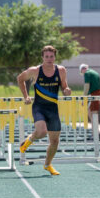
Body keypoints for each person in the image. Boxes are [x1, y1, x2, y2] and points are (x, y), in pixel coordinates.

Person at [18, 46, 72, 175]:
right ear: (42, 57)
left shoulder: (61, 70)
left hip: (53, 109)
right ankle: (28, 141)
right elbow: (20, 79)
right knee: (42, 131)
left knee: (54, 141)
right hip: (39, 107)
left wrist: (67, 91)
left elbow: (64, 87)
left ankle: (47, 165)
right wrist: (26, 96)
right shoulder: (35, 71)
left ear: (55, 57)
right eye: (46, 57)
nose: (49, 59)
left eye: (51, 56)